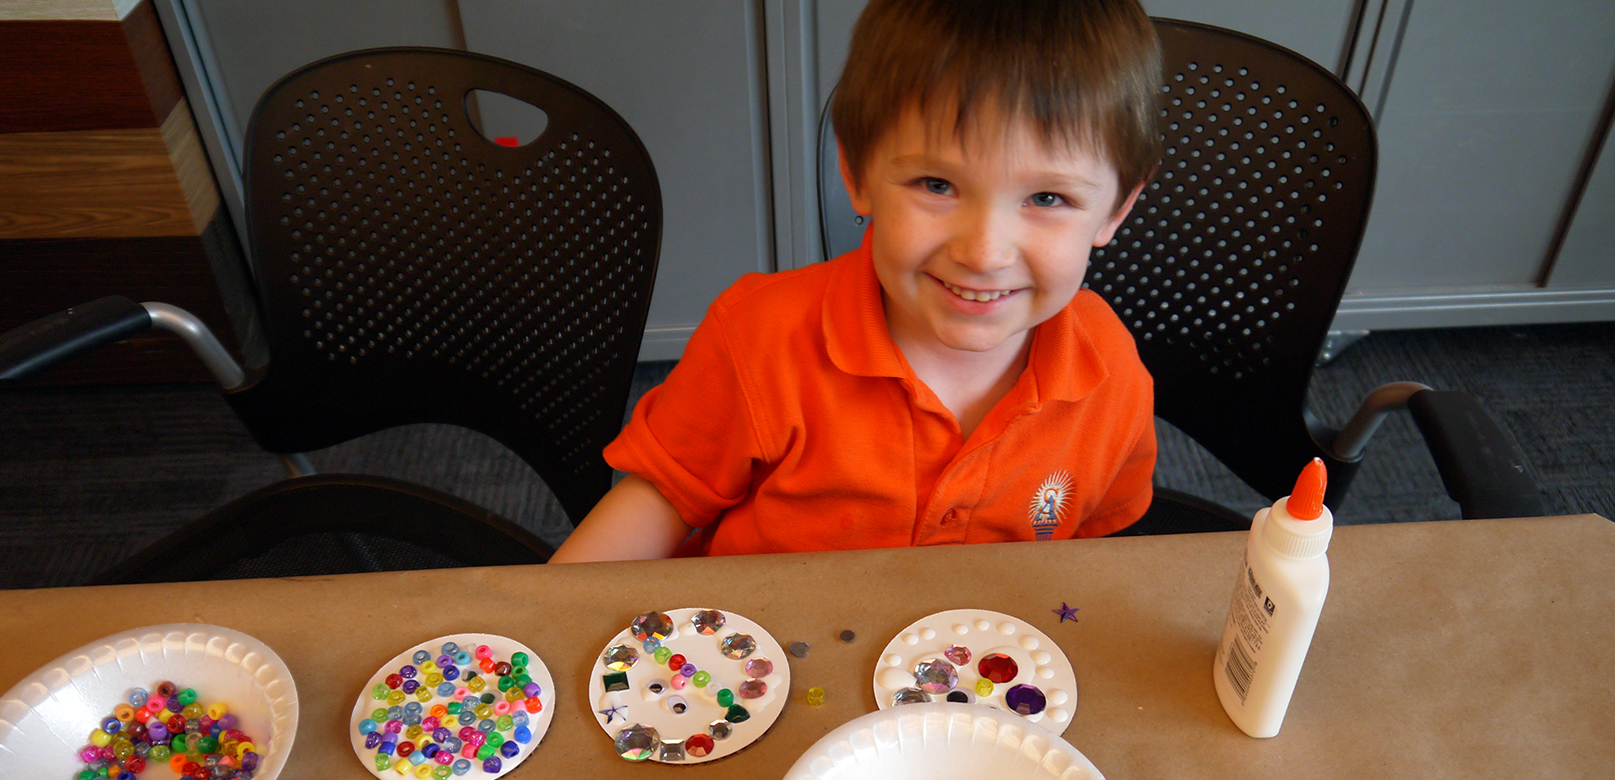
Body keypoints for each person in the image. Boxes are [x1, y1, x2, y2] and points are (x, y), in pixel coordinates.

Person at [550, 0, 1161, 562]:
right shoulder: (758, 337)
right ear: (858, 172)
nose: (984, 253)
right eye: (936, 185)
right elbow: (661, 498)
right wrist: (548, 622)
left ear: (1115, 211)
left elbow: (1093, 555)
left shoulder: (1112, 372)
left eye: (1047, 197)